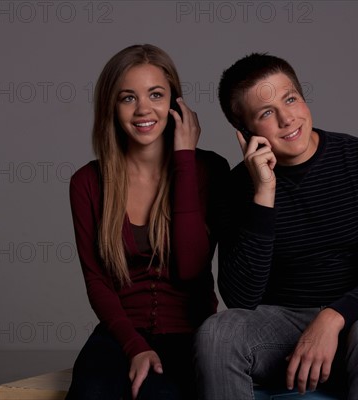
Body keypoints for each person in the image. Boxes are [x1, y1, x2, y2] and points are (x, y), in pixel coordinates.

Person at [194, 53, 358, 400]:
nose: (286, 118)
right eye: (266, 113)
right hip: (279, 329)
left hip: (356, 322)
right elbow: (241, 298)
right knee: (217, 332)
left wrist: (332, 317)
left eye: (290, 99)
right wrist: (264, 192)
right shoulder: (236, 188)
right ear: (246, 132)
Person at [66, 44, 229, 400]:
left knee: (160, 396)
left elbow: (190, 268)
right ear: (112, 106)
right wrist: (134, 346)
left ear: (174, 102)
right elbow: (96, 280)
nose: (143, 109)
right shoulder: (87, 182)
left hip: (192, 335)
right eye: (128, 97)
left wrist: (184, 158)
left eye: (156, 94)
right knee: (91, 392)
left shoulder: (209, 170)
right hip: (119, 334)